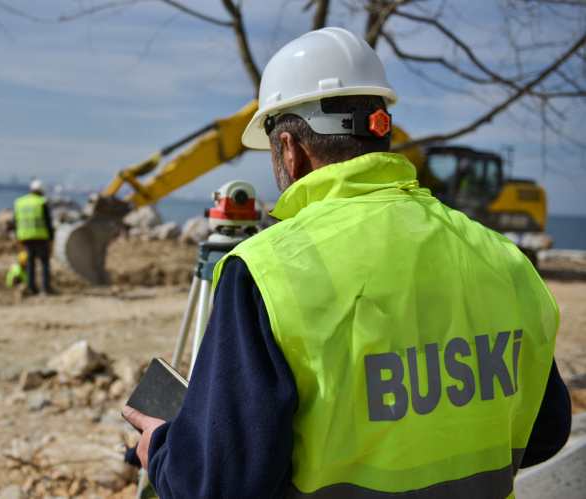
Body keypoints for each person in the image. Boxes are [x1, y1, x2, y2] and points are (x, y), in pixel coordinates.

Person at [122, 28, 571, 498]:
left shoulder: (266, 271)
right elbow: (547, 430)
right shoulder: (502, 257)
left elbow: (219, 486)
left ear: (290, 149)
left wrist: (163, 453)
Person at [14, 179, 56, 295]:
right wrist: (52, 238)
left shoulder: (20, 202)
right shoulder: (41, 202)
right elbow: (48, 222)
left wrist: (18, 237)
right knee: (44, 262)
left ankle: (31, 288)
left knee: (30, 263)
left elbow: (16, 221)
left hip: (26, 237)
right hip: (41, 237)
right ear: (42, 191)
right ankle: (46, 288)